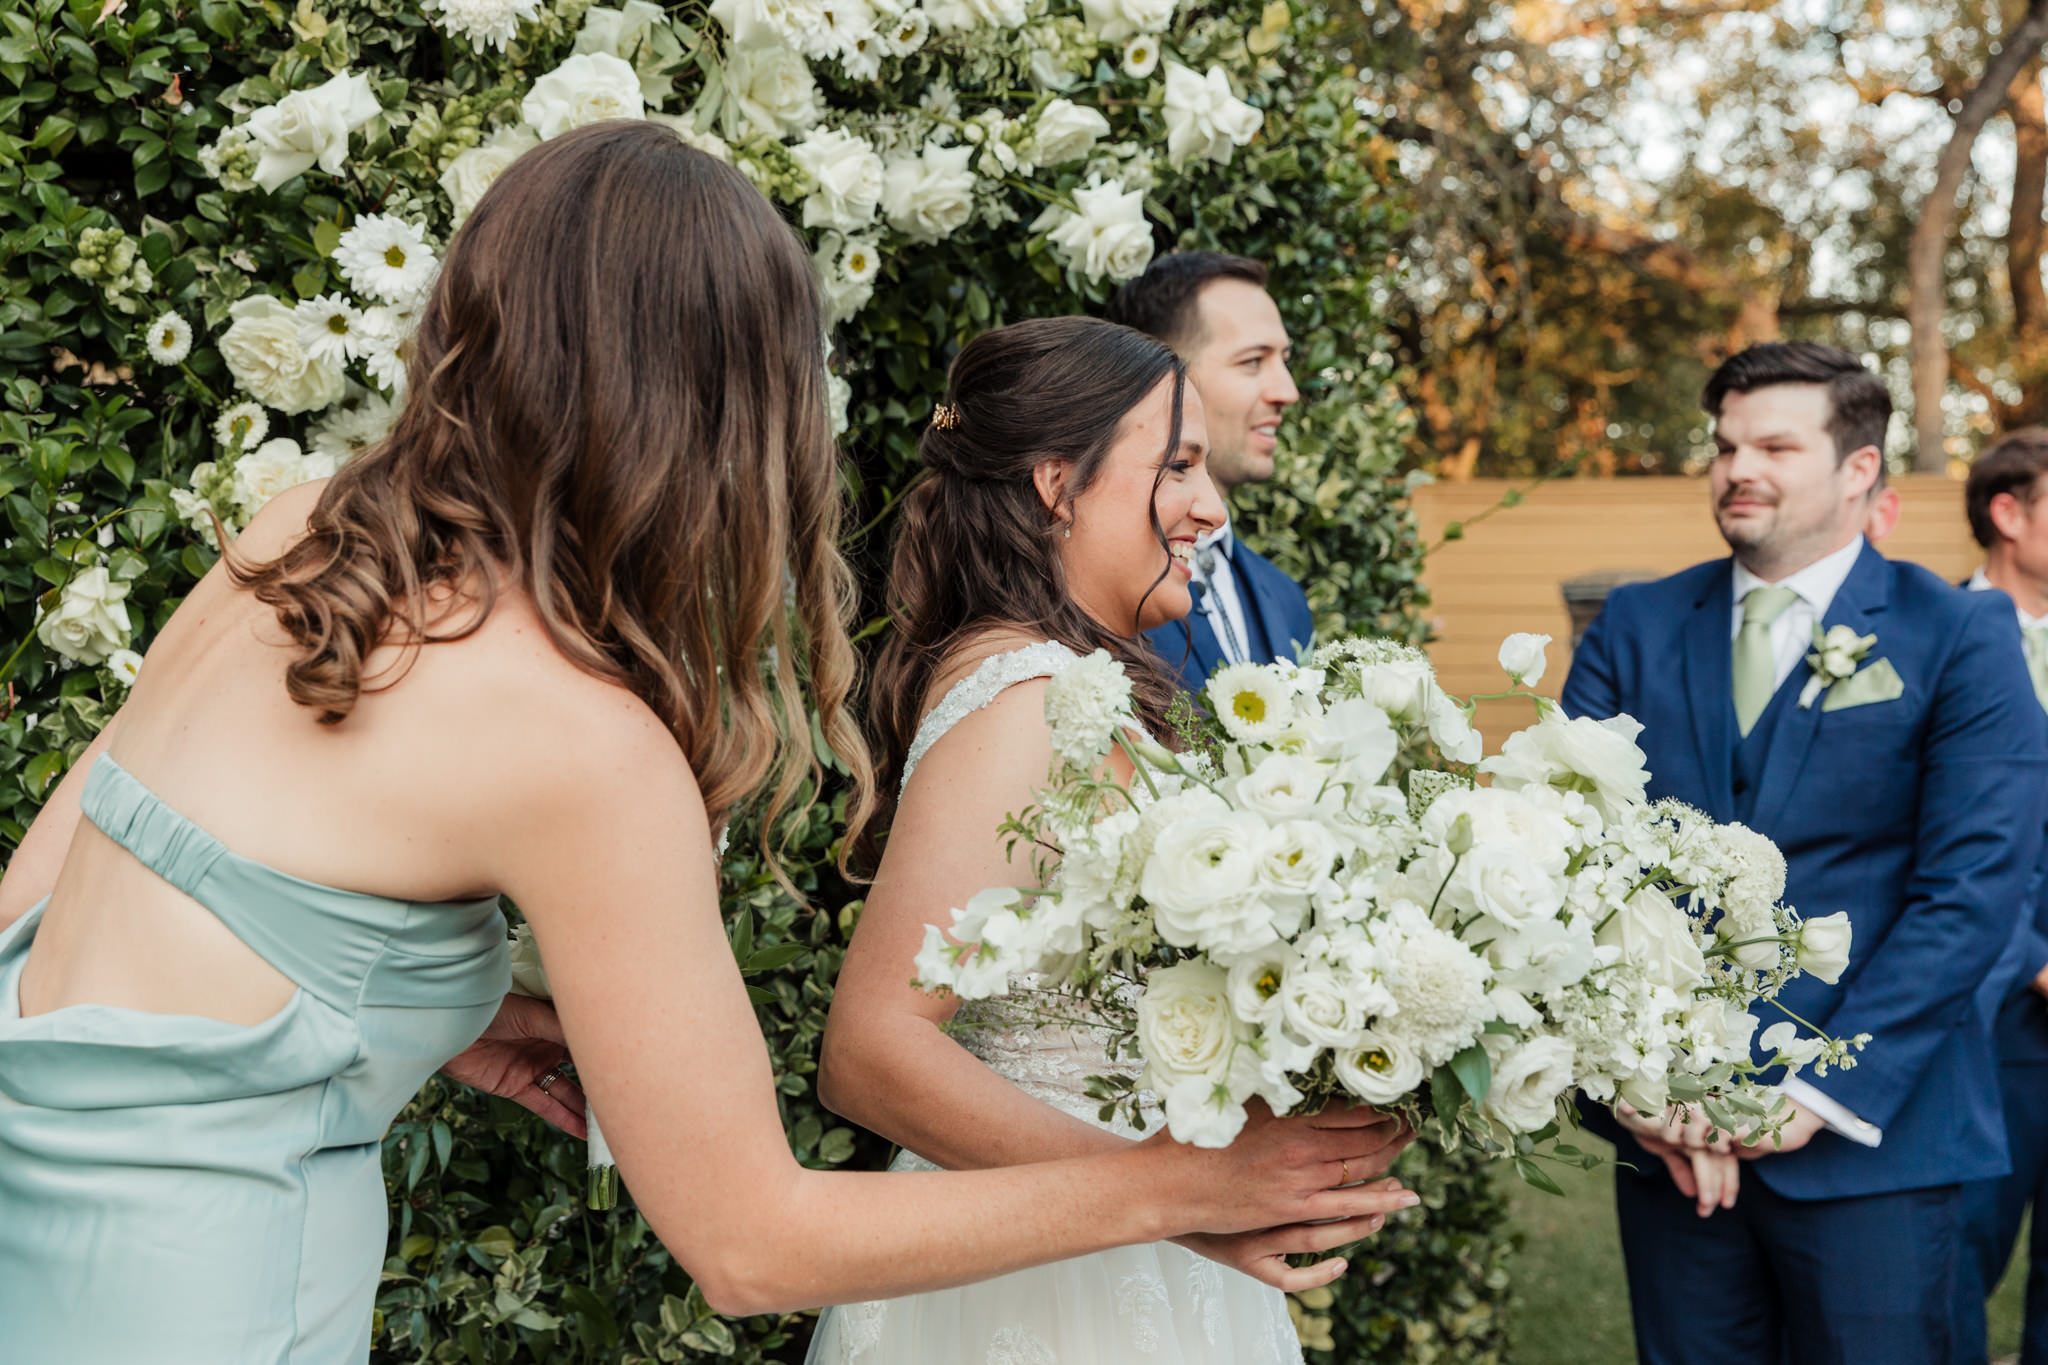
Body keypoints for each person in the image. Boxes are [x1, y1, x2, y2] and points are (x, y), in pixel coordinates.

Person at [0, 124, 1418, 1364]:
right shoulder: (584, 744)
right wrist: (1185, 1189)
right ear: (731, 416)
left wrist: (419, 1012)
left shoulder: (295, 533)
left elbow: (52, 908)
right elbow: (754, 1245)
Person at [808, 316, 1415, 1364]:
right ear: (1057, 481)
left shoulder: (1082, 684)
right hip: (1046, 1290)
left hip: (1137, 1248)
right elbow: (868, 1053)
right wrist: (1179, 1196)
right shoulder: (1018, 697)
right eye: (1176, 465)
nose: (1210, 506)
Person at [1561, 341, 2048, 1364]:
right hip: (1672, 1144)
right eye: (1725, 445)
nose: (1739, 468)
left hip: (1876, 1145)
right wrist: (1644, 1088)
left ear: (1857, 467)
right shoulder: (1633, 628)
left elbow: (1970, 892)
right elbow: (1572, 867)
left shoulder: (1958, 633)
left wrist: (1813, 1097)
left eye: (1775, 445)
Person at [1105, 251, 1314, 688]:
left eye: (1284, 359)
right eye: (1253, 361)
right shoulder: (1094, 586)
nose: (1287, 391)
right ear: (1160, 371)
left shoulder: (1288, 600)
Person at [1957, 427, 2048, 1365]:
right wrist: (2033, 959)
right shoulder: (1916, 640)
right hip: (1982, 1021)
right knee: (1953, 1273)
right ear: (2007, 513)